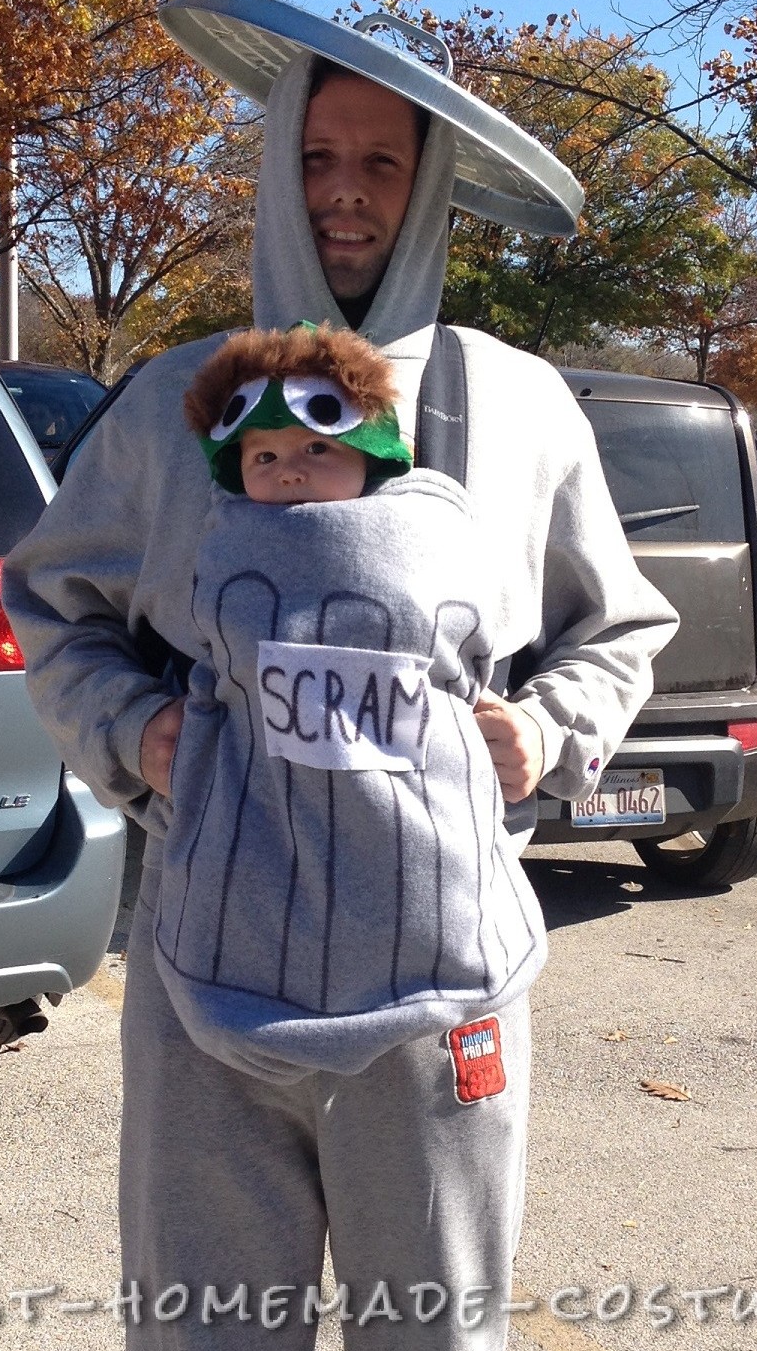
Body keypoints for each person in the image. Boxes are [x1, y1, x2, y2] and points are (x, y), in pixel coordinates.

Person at [0, 0, 677, 1351]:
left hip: (443, 1005)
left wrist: (540, 737)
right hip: (211, 994)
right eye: (318, 153)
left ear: (432, 178)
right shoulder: (184, 399)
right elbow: (54, 598)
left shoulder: (524, 408)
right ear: (276, 165)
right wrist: (133, 733)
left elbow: (612, 629)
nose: (350, 189)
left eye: (383, 159)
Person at [160, 320, 546, 1079]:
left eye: (317, 449)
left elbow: (478, 644)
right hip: (252, 873)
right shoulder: (227, 537)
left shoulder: (432, 527)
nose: (290, 472)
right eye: (263, 456)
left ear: (371, 454)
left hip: (424, 887)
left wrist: (542, 726)